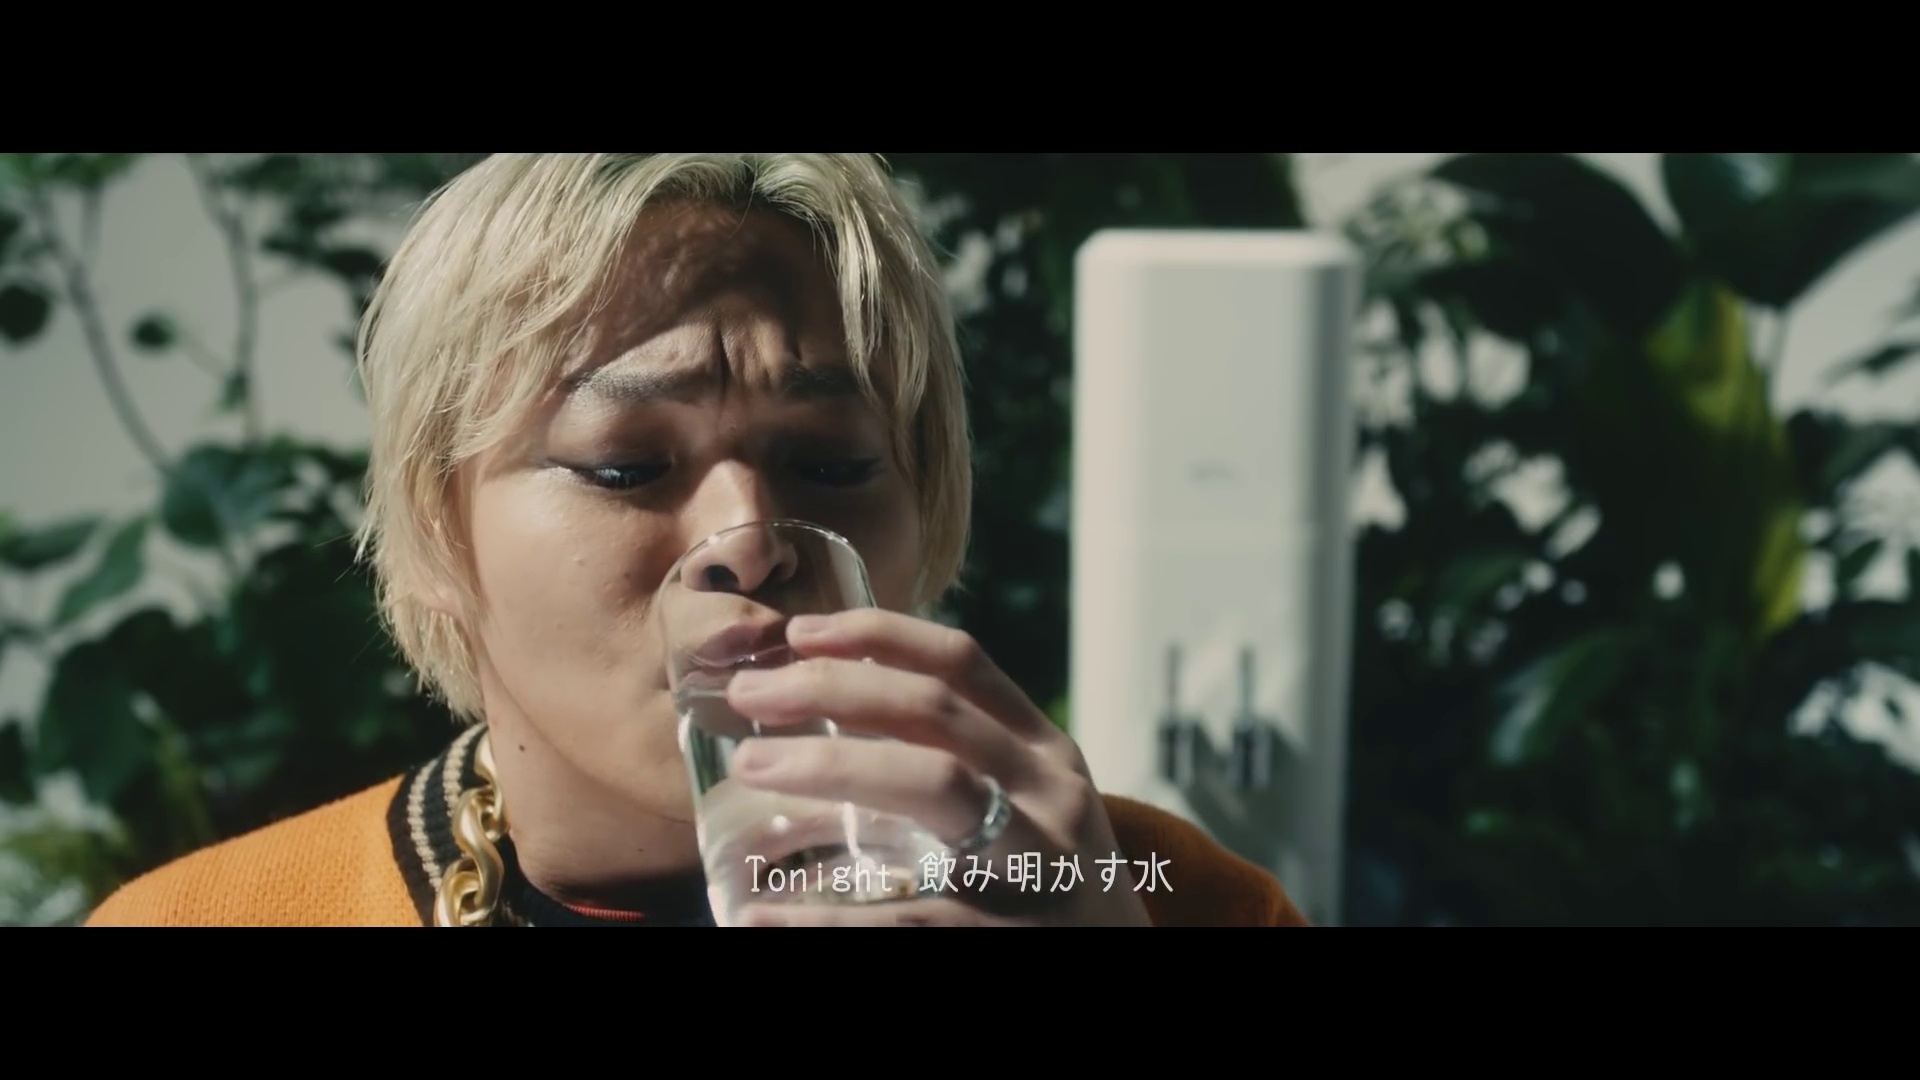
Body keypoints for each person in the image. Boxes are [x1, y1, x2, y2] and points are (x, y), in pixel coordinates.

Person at [85, 154, 1309, 927]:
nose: (748, 537)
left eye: (831, 464)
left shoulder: (1165, 898)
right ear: (434, 527)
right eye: (627, 466)